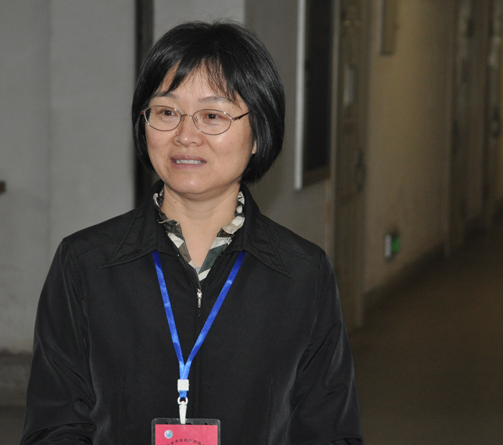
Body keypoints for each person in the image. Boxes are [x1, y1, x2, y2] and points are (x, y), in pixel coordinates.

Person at [21, 21, 362, 444]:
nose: (185, 136)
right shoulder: (85, 263)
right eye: (167, 112)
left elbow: (328, 430)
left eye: (212, 116)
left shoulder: (303, 273)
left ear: (259, 133)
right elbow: (54, 425)